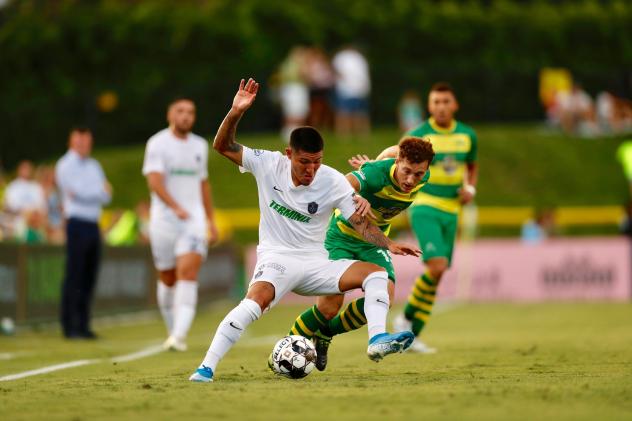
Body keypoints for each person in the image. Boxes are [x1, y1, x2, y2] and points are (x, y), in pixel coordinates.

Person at [189, 78, 420, 383]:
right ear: (289, 154)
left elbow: (360, 224)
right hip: (277, 259)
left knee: (376, 274)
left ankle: (377, 340)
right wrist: (235, 112)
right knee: (252, 303)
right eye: (304, 162)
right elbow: (222, 146)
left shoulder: (332, 180)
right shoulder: (267, 163)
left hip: (315, 262)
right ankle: (206, 367)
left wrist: (388, 243)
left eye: (317, 162)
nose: (311, 169)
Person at [285, 136, 435, 371]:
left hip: (373, 241)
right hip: (342, 236)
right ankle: (285, 350)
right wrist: (356, 190)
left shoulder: (421, 174)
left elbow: (392, 151)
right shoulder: (376, 175)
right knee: (328, 308)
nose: (411, 179)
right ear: (398, 162)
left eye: (418, 173)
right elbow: (342, 183)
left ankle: (326, 332)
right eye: (406, 171)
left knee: (384, 296)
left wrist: (373, 162)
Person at [370, 82, 478, 353]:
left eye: (446, 101)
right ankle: (405, 320)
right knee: (438, 266)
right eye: (436, 102)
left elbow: (472, 166)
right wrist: (371, 167)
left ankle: (413, 334)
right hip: (425, 205)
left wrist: (470, 188)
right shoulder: (417, 134)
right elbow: (394, 158)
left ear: (455, 105)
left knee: (438, 274)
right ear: (429, 106)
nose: (441, 107)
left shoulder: (467, 136)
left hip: (453, 209)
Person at [142, 97, 218, 351]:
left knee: (188, 273)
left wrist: (210, 220)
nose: (186, 116)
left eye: (190, 112)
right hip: (164, 222)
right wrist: (174, 207)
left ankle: (179, 336)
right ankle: (172, 329)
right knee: (167, 278)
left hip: (193, 222)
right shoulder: (157, 143)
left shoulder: (200, 145)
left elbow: (203, 184)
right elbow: (154, 181)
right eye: (180, 111)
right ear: (169, 115)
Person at [55, 127, 112, 339]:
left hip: (92, 223)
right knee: (75, 275)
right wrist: (98, 191)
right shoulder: (65, 165)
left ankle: (83, 324)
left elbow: (106, 196)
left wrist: (95, 193)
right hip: (76, 223)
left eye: (87, 142)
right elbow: (77, 193)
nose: (84, 146)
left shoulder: (94, 165)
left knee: (89, 275)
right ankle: (70, 325)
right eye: (79, 142)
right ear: (72, 142)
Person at [332, 45, 371, 138]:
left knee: (359, 112)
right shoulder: (342, 57)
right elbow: (336, 70)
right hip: (346, 88)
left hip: (359, 89)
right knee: (345, 112)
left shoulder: (359, 58)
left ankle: (360, 133)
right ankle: (344, 133)